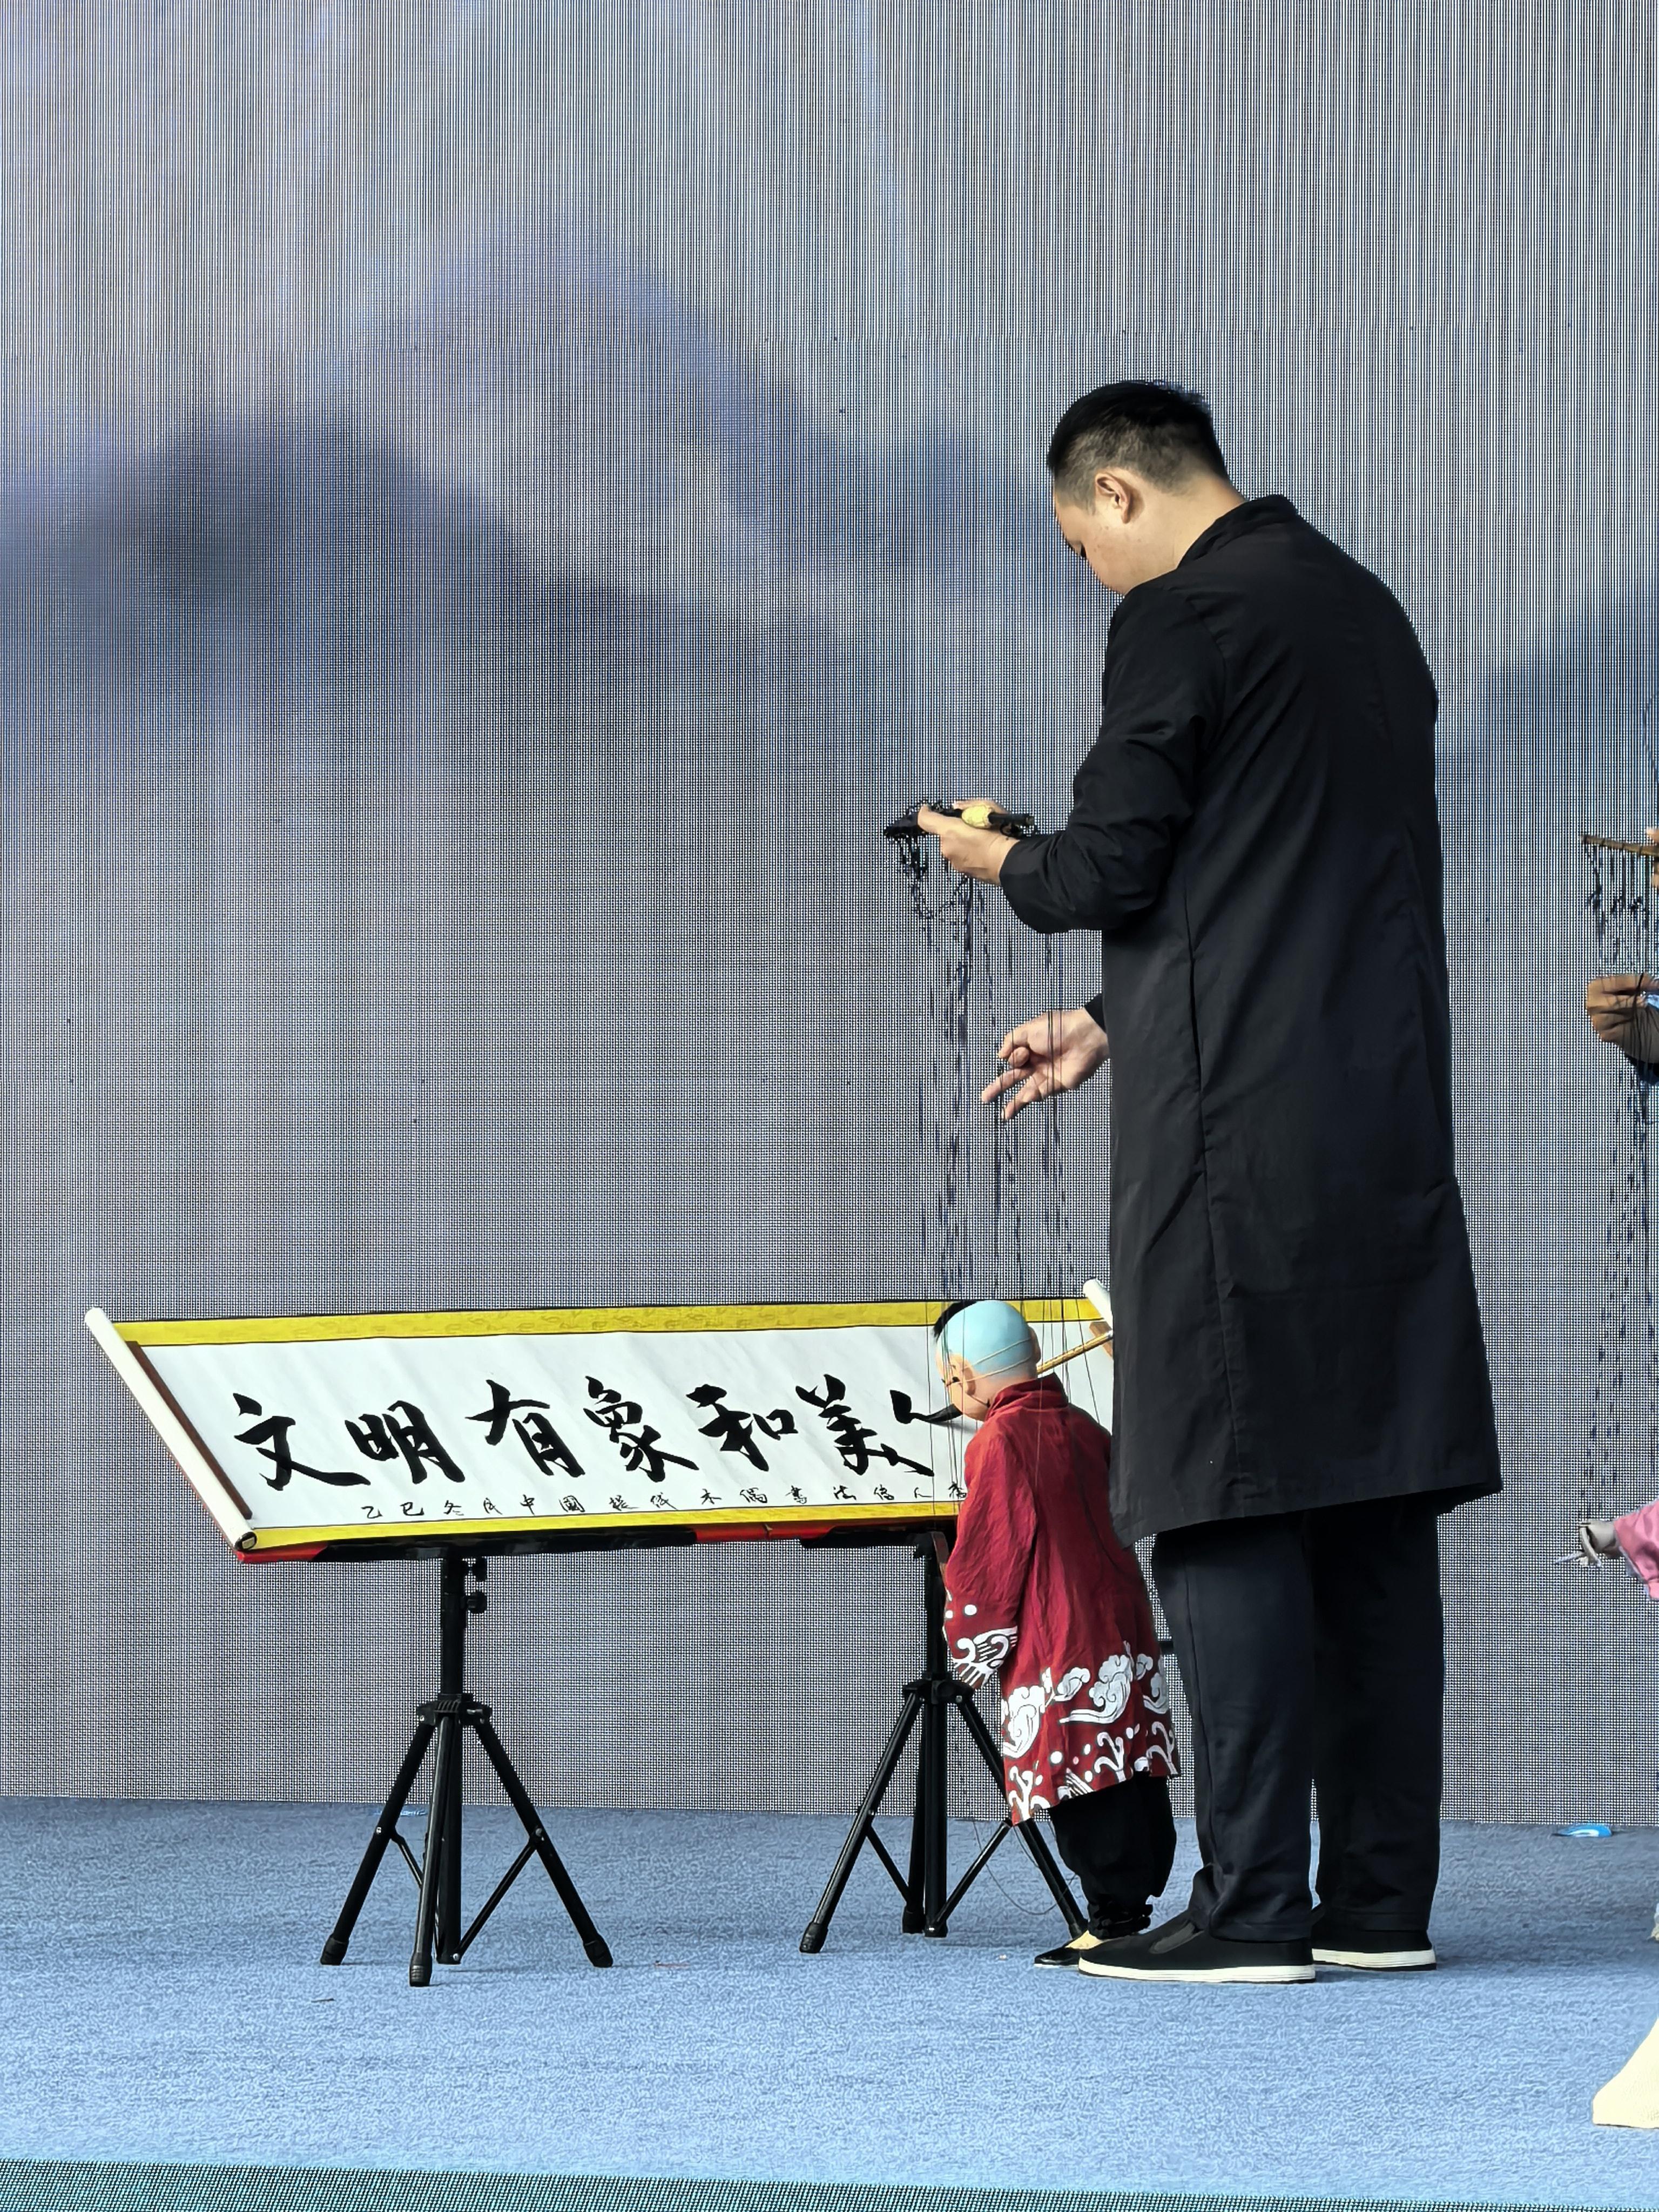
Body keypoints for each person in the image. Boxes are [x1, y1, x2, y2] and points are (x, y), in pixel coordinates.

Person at [919, 380, 1501, 1984]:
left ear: (1117, 492)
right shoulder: (1363, 611)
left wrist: (999, 860)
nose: (1091, 574)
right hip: (1378, 1120)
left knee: (1221, 1491)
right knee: (1369, 1499)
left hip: (1233, 1135)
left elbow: (1110, 864)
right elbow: (1277, 877)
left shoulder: (1182, 613)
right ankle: (1374, 1906)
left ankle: (1250, 1911)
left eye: (1077, 544)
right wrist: (1110, 1020)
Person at [933, 1298, 1181, 1971]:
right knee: (1125, 1758)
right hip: (1116, 1617)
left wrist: (969, 1627)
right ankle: (1129, 1909)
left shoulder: (999, 1441)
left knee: (1077, 1763)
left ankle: (1112, 1919)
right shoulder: (1084, 1426)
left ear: (963, 1374)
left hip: (1057, 1627)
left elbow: (991, 1553)